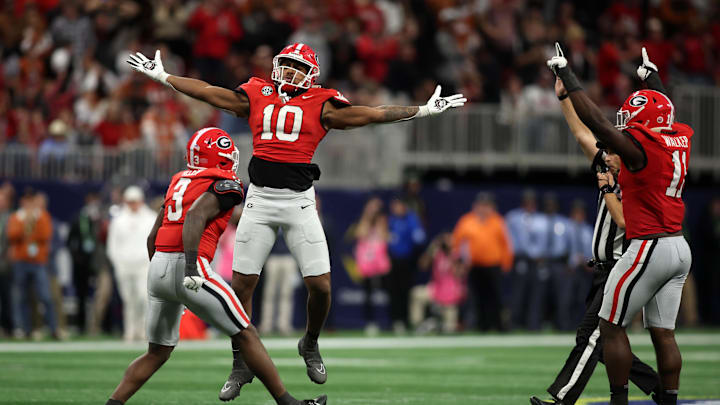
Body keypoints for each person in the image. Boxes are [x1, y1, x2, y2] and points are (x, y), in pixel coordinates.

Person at [126, 43, 465, 398]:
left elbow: (372, 114)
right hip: (259, 199)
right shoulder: (258, 92)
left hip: (299, 203)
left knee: (321, 286)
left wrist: (423, 110)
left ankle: (310, 342)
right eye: (284, 64)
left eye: (296, 66)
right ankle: (240, 362)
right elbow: (212, 93)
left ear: (311, 74)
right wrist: (165, 77)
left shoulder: (322, 102)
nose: (288, 71)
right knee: (242, 285)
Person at [104, 128, 325, 405]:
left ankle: (112, 403)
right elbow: (196, 215)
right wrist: (189, 269)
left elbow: (153, 236)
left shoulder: (178, 180)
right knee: (245, 332)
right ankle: (288, 403)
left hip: (158, 265)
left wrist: (163, 278)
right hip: (190, 264)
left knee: (156, 352)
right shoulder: (225, 183)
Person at [549, 44, 692, 405]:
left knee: (608, 326)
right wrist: (653, 78)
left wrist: (568, 74)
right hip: (678, 244)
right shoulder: (676, 138)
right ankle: (668, 398)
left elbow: (596, 123)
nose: (622, 133)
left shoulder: (638, 153)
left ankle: (618, 401)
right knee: (664, 334)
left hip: (649, 245)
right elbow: (661, 109)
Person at [530, 62, 661, 405]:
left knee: (591, 339)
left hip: (622, 265)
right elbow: (582, 134)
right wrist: (564, 100)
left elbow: (625, 224)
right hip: (602, 269)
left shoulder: (637, 180)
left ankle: (562, 399)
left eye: (615, 149)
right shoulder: (609, 166)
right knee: (602, 344)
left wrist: (608, 191)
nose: (607, 152)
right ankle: (658, 387)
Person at [451, 192, 512, 331]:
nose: (484, 209)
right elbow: (457, 242)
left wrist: (506, 264)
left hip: (493, 265)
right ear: (475, 206)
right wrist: (457, 262)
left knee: (495, 297)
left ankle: (498, 325)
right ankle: (481, 326)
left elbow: (505, 245)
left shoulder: (498, 221)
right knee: (477, 297)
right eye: (481, 205)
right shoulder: (467, 221)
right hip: (474, 266)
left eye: (487, 205)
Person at [107, 186, 158, 342]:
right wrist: (118, 263)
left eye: (135, 201)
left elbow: (155, 242)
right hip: (124, 265)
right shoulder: (118, 220)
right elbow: (112, 246)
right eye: (130, 202)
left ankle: (143, 331)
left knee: (144, 298)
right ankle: (129, 332)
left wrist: (150, 263)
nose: (132, 205)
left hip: (143, 265)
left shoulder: (151, 218)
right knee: (128, 300)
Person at [6, 188, 57, 339]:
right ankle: (22, 328)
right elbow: (12, 235)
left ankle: (53, 328)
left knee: (45, 296)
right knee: (20, 296)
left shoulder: (42, 216)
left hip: (38, 261)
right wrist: (26, 225)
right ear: (22, 201)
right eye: (25, 200)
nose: (28, 203)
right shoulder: (16, 217)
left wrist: (31, 224)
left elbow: (45, 234)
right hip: (21, 261)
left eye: (31, 200)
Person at [349, 197, 390, 335]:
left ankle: (390, 321)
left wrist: (378, 219)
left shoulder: (382, 221)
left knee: (387, 293)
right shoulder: (364, 221)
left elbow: (384, 237)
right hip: (366, 264)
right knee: (368, 295)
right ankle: (370, 322)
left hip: (380, 263)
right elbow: (360, 233)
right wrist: (368, 214)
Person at [409, 232, 466, 334]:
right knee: (416, 293)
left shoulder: (456, 255)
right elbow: (422, 265)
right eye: (445, 240)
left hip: (450, 292)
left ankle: (442, 325)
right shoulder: (437, 254)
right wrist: (432, 248)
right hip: (436, 288)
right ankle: (417, 324)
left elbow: (460, 274)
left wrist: (453, 259)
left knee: (449, 329)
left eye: (449, 239)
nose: (447, 242)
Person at [387, 196, 425, 333]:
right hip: (392, 261)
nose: (395, 208)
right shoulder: (391, 220)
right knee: (393, 292)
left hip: (406, 261)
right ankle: (395, 321)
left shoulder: (411, 219)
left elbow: (419, 238)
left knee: (405, 291)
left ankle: (405, 320)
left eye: (397, 205)